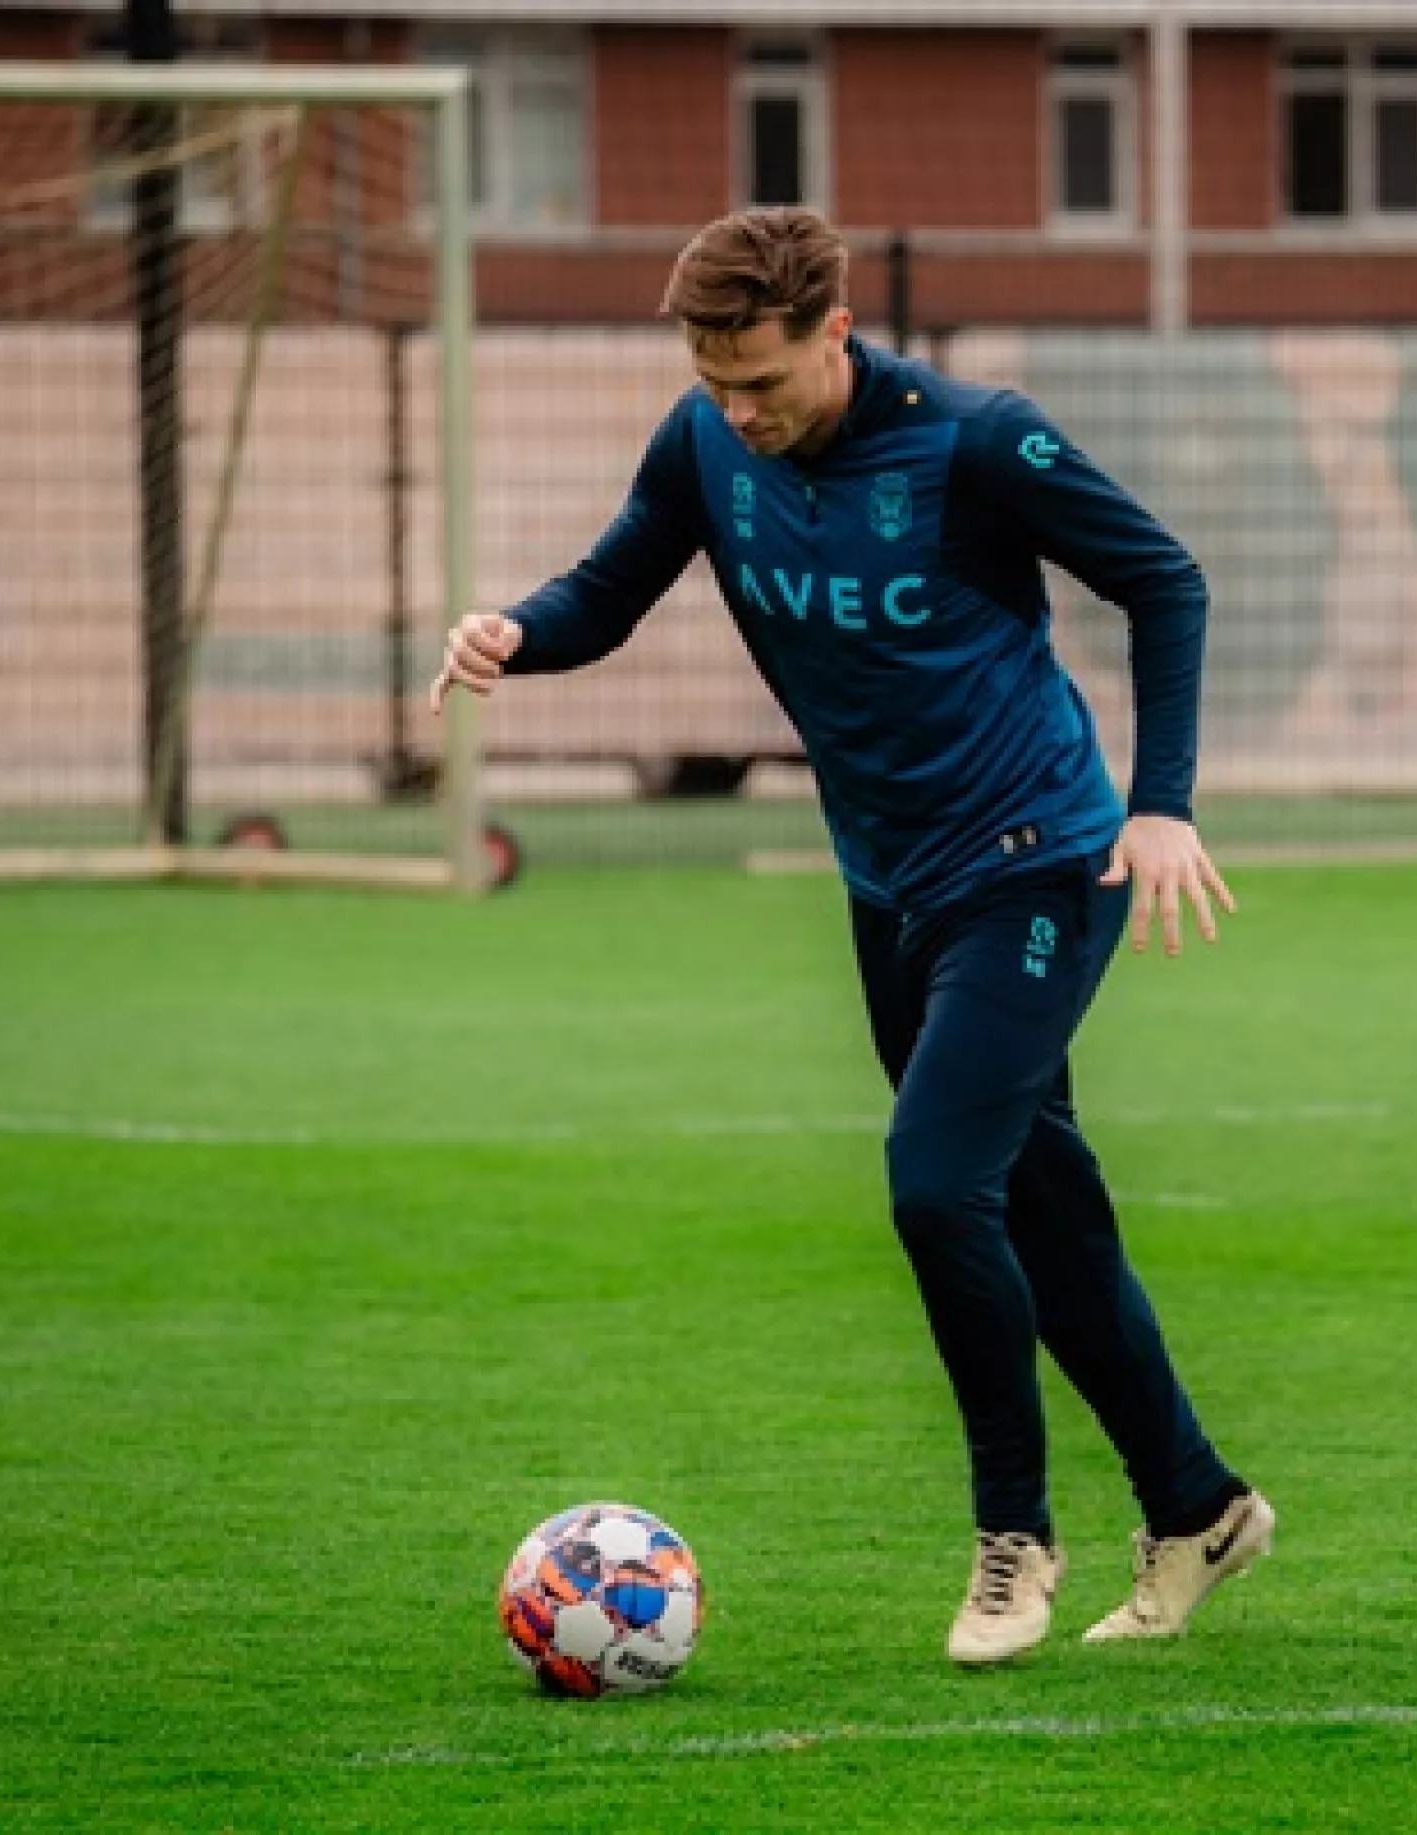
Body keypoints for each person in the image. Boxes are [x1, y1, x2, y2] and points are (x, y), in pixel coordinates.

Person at [429, 207, 1271, 1661]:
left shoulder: (975, 441)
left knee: (938, 1185)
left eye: (761, 379)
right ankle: (1197, 1502)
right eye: (714, 383)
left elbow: (1165, 579)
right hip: (888, 889)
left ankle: (1015, 1537)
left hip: (1038, 866)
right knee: (1041, 1208)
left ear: (836, 330)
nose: (739, 413)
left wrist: (1165, 804)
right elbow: (610, 589)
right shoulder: (704, 445)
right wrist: (513, 628)